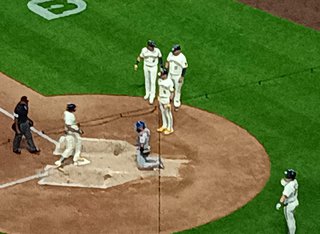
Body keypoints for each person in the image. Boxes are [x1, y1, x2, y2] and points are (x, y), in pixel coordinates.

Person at [134, 40, 163, 105]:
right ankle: (147, 93)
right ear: (148, 46)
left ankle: (152, 96)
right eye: (152, 46)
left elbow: (160, 58)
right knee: (147, 80)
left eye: (153, 46)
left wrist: (161, 68)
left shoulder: (157, 50)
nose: (153, 48)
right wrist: (136, 63)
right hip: (146, 66)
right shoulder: (144, 50)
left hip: (154, 67)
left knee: (153, 81)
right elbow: (140, 57)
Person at [165, 44, 188, 111]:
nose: (173, 52)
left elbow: (185, 67)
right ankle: (168, 99)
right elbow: (167, 62)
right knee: (168, 87)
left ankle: (176, 103)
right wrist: (165, 71)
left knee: (177, 89)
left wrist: (182, 77)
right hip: (170, 74)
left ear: (179, 50)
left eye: (174, 51)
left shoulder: (182, 57)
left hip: (177, 76)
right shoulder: (170, 54)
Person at [276, 169, 299, 234]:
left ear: (291, 178)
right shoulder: (295, 181)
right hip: (295, 202)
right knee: (292, 219)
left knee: (290, 221)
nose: (285, 177)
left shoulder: (289, 186)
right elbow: (284, 182)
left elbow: (284, 196)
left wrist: (279, 203)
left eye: (287, 177)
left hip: (289, 206)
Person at [157, 69, 174, 135]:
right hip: (161, 98)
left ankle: (170, 128)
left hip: (166, 99)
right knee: (163, 113)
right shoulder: (160, 79)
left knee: (168, 113)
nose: (161, 75)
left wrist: (170, 102)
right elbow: (160, 88)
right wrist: (158, 95)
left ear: (165, 75)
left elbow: (172, 92)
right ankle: (164, 126)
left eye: (162, 74)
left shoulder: (169, 82)